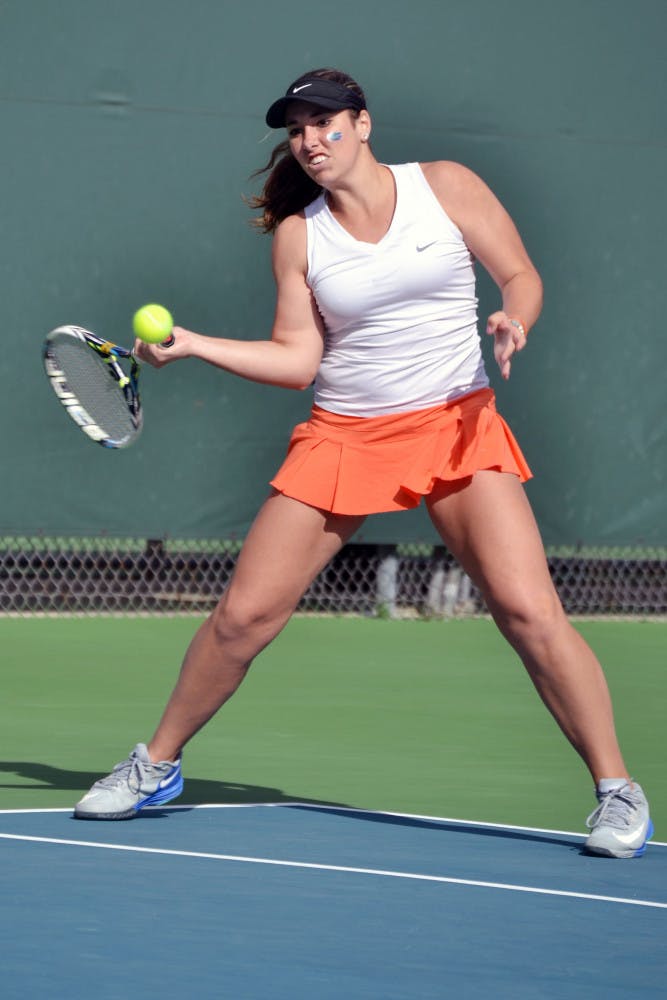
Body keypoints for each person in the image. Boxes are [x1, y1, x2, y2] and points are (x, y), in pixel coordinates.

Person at [75, 68, 652, 859]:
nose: (310, 140)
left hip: (455, 423)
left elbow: (520, 275)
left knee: (527, 612)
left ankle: (617, 791)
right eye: (296, 130)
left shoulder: (445, 186)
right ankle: (156, 764)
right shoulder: (300, 236)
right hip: (344, 435)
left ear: (363, 123)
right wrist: (197, 345)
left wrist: (514, 318)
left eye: (324, 123)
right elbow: (297, 359)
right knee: (242, 618)